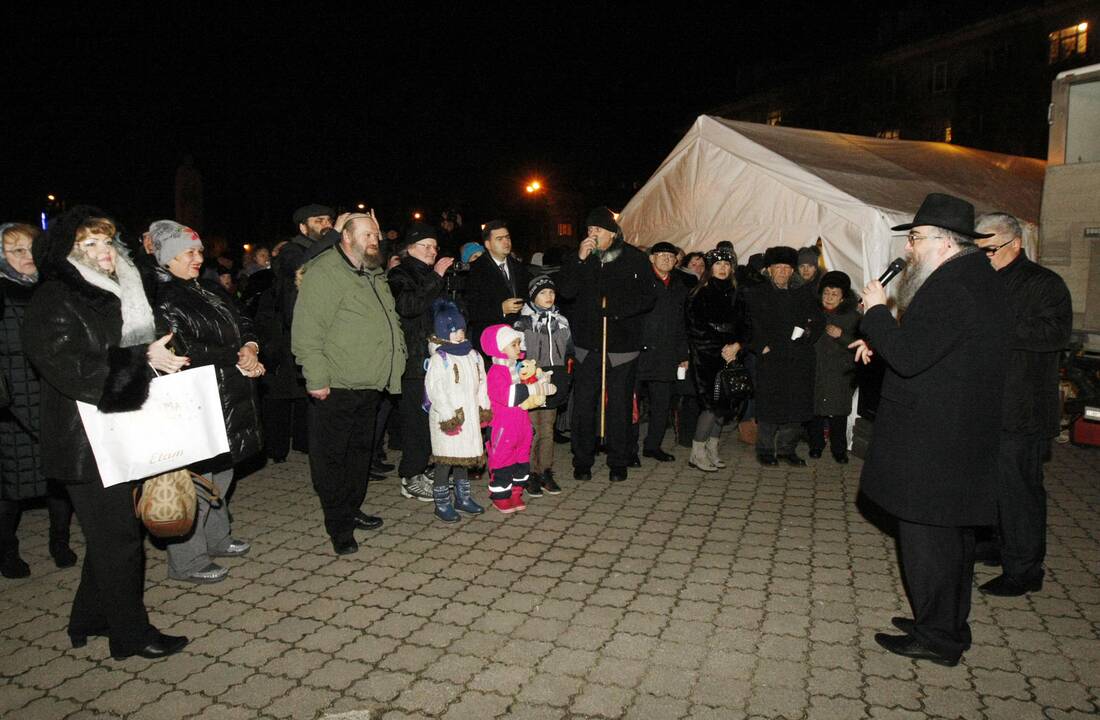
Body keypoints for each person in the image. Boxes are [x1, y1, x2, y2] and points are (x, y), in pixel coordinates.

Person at [23, 206, 188, 660]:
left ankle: (88, 618)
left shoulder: (122, 291)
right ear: (66, 252)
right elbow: (73, 369)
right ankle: (130, 637)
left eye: (107, 242)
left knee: (110, 537)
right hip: (84, 442)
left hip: (122, 431)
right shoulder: (54, 298)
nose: (104, 253)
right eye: (89, 244)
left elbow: (140, 346)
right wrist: (143, 362)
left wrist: (159, 357)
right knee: (119, 541)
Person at [856, 192, 1010, 666]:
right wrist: (880, 336)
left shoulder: (953, 288)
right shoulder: (971, 278)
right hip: (953, 436)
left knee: (929, 544)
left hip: (935, 442)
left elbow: (910, 357)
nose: (909, 249)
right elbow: (932, 349)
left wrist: (876, 311)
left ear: (945, 243)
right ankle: (942, 622)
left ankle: (937, 638)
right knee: (951, 544)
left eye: (917, 238)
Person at [150, 221, 262, 584]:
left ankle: (218, 538)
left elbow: (242, 316)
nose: (198, 258)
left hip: (226, 392)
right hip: (193, 397)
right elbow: (180, 348)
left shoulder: (208, 287)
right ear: (168, 259)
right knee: (197, 479)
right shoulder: (162, 296)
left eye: (199, 251)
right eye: (189, 253)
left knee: (223, 470)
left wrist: (249, 346)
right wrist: (235, 353)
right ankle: (187, 560)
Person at [292, 212, 406, 555]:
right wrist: (317, 379)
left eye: (377, 235)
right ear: (346, 237)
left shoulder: (371, 272)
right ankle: (338, 526)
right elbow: (307, 333)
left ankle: (352, 509)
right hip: (336, 385)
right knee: (332, 460)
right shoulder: (326, 272)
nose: (376, 240)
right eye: (368, 235)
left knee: (360, 455)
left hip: (369, 382)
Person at [973, 212, 1073, 596]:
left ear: (1015, 244)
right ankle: (1000, 545)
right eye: (979, 249)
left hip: (1023, 409)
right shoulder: (986, 280)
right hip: (987, 404)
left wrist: (998, 325)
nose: (985, 256)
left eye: (991, 249)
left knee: (1020, 491)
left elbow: (1054, 333)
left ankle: (1025, 570)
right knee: (992, 485)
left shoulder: (1044, 284)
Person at [556, 207, 657, 482]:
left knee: (620, 406)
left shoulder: (634, 258)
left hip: (622, 346)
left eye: (597, 230)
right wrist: (579, 259)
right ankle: (582, 459)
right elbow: (565, 291)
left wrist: (616, 311)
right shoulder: (580, 258)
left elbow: (648, 296)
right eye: (588, 230)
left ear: (612, 233)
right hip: (588, 345)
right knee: (585, 404)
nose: (592, 235)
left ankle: (619, 460)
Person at [0, 223, 76, 577]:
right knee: (11, 485)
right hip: (10, 404)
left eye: (31, 249)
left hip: (52, 395)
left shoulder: (50, 291)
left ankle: (59, 541)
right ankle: (7, 550)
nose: (26, 257)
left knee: (56, 479)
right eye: (15, 251)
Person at [260, 204, 340, 463]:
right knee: (287, 394)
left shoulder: (331, 247)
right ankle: (278, 448)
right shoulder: (292, 250)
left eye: (329, 219)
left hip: (327, 329)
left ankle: (311, 445)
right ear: (303, 227)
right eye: (319, 220)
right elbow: (299, 266)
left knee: (316, 394)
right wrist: (333, 237)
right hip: (292, 332)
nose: (326, 223)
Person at [387, 222, 453, 502]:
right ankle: (409, 476)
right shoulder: (400, 274)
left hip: (438, 358)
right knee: (415, 420)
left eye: (434, 246)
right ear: (409, 249)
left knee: (432, 420)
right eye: (424, 246)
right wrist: (437, 276)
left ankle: (423, 469)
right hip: (414, 361)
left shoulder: (431, 274)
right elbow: (408, 307)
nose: (431, 251)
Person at [746, 246, 824, 466]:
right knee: (770, 407)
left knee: (796, 407)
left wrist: (807, 333)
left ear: (793, 271)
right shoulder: (756, 293)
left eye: (786, 268)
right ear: (769, 270)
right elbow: (748, 324)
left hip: (799, 359)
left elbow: (818, 320)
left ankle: (787, 449)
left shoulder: (804, 292)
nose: (782, 271)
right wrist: (760, 346)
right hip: (772, 358)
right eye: (777, 267)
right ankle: (765, 449)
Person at [424, 300, 488, 522]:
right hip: (448, 418)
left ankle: (463, 498)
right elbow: (435, 390)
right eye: (453, 331)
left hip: (468, 415)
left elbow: (482, 382)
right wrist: (448, 414)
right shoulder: (439, 358)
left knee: (464, 458)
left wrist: (483, 406)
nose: (460, 335)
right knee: (445, 461)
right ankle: (441, 502)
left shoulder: (472, 355)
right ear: (443, 332)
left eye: (461, 329)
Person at [685, 247, 749, 471]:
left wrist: (738, 346)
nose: (722, 268)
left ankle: (712, 448)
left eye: (726, 264)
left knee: (724, 405)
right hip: (707, 359)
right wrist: (723, 346)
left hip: (731, 357)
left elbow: (747, 326)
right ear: (710, 268)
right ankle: (697, 452)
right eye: (718, 264)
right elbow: (696, 329)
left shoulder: (737, 293)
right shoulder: (699, 293)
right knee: (710, 406)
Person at [479, 324, 554, 512]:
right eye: (513, 344)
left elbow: (530, 394)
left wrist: (541, 384)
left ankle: (516, 492)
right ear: (499, 348)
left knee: (521, 462)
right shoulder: (497, 372)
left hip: (521, 426)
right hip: (503, 427)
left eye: (519, 343)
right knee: (502, 463)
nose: (519, 348)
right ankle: (501, 496)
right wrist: (532, 389)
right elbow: (509, 397)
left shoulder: (518, 369)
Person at [515, 275, 572, 496]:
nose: (548, 296)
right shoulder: (523, 322)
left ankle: (545, 470)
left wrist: (565, 377)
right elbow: (517, 353)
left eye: (551, 292)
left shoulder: (562, 321)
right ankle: (529, 472)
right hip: (530, 380)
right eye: (543, 293)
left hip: (553, 379)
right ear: (533, 296)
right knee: (531, 430)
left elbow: (568, 352)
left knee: (547, 429)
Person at [634, 242, 690, 464]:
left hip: (667, 354)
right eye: (662, 255)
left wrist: (683, 354)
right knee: (633, 404)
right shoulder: (640, 282)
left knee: (661, 404)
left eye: (671, 256)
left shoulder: (679, 285)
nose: (667, 259)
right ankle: (629, 448)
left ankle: (653, 446)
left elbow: (683, 323)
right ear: (651, 258)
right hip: (640, 353)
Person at [809, 271, 860, 463]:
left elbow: (861, 346)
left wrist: (841, 336)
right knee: (815, 411)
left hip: (840, 372)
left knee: (838, 414)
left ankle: (839, 449)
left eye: (834, 294)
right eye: (826, 293)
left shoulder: (853, 318)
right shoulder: (813, 313)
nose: (829, 298)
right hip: (815, 369)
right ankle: (816, 445)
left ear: (843, 297)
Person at [466, 220, 531, 358]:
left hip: (517, 339)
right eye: (499, 239)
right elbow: (472, 309)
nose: (506, 242)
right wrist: (500, 309)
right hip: (491, 342)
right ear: (488, 244)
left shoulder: (518, 267)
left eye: (507, 237)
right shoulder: (476, 270)